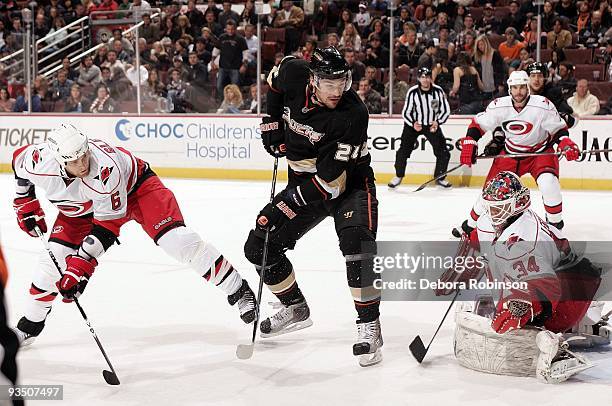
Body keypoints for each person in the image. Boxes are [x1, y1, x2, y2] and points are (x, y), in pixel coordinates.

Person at [11, 124, 257, 346]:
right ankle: (29, 327)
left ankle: (238, 289)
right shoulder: (39, 160)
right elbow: (18, 163)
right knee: (50, 263)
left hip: (137, 190)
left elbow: (108, 225)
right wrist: (24, 200)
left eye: (84, 155)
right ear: (59, 160)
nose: (83, 164)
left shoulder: (105, 167)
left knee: (179, 242)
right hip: (81, 209)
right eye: (75, 162)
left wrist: (82, 264)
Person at [247, 47, 382, 367]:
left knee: (357, 244)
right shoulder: (294, 72)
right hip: (304, 183)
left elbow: (330, 184)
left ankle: (369, 327)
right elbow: (274, 84)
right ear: (312, 80)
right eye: (329, 84)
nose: (337, 91)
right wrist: (271, 122)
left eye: (342, 83)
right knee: (259, 247)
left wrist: (281, 205)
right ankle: (294, 307)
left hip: (348, 186)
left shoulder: (352, 114)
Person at [447, 172, 607, 383]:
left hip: (566, 300)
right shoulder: (511, 218)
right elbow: (482, 237)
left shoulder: (525, 239)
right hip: (573, 283)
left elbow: (545, 287)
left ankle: (556, 348)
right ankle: (581, 321)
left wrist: (524, 306)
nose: (492, 212)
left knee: (511, 326)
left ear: (517, 204)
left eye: (498, 207)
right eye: (491, 206)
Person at [453, 70, 580, 239]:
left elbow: (558, 129)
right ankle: (469, 225)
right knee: (490, 192)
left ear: (527, 87)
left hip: (539, 153)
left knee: (549, 184)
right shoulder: (499, 105)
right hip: (511, 154)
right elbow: (478, 124)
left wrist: (564, 142)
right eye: (514, 88)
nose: (518, 91)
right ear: (509, 89)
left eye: (521, 87)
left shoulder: (542, 104)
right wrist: (470, 141)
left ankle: (555, 227)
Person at [388, 67, 451, 189]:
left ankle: (440, 177)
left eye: (427, 77)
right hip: (413, 125)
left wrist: (437, 122)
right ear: (418, 78)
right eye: (422, 77)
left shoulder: (438, 91)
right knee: (403, 151)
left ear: (430, 78)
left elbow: (445, 110)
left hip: (432, 125)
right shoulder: (413, 92)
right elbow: (406, 112)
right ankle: (398, 176)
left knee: (443, 152)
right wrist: (413, 123)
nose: (425, 80)